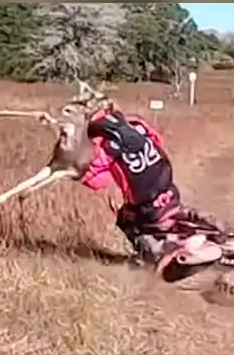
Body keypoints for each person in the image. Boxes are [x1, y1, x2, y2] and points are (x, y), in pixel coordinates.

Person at [77, 99, 217, 267]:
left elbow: (97, 182)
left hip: (146, 208)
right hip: (169, 191)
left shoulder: (102, 147)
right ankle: (191, 224)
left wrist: (77, 173)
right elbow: (157, 141)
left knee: (125, 219)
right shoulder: (137, 125)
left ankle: (151, 256)